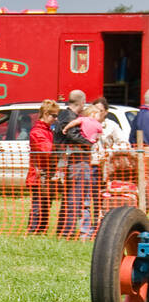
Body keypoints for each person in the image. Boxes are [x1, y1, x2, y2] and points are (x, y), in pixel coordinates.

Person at [54, 90, 95, 239]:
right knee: (74, 198)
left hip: (68, 161)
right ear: (82, 102)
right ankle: (68, 231)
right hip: (75, 161)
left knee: (70, 198)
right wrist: (89, 143)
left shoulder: (64, 114)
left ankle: (64, 230)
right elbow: (72, 134)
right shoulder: (70, 117)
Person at [26, 100, 60, 235]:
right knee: (38, 205)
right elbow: (47, 150)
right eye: (54, 115)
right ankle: (33, 230)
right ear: (45, 114)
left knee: (46, 204)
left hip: (47, 175)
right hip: (38, 175)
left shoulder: (48, 131)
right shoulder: (37, 132)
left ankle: (42, 230)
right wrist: (60, 148)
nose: (56, 119)